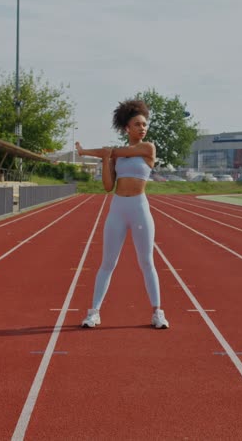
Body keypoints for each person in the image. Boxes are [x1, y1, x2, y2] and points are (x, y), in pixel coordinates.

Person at [76, 99, 169, 329]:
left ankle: (157, 312)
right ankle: (94, 312)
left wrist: (87, 151)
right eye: (137, 124)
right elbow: (108, 186)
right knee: (108, 262)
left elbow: (117, 150)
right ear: (127, 128)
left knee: (146, 261)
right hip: (117, 208)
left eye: (144, 124)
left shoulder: (148, 148)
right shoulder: (115, 155)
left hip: (139, 207)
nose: (142, 128)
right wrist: (106, 158)